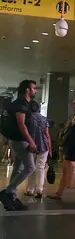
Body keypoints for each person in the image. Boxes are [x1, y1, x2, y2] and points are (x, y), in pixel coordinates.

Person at [0, 80, 39, 210]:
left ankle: (12, 197)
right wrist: (31, 141)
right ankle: (8, 192)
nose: (36, 90)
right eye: (34, 88)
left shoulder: (25, 104)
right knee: (30, 167)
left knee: (18, 168)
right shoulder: (21, 104)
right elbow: (21, 125)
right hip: (20, 141)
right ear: (27, 90)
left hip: (20, 140)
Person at [24, 100, 51, 199]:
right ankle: (39, 189)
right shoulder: (44, 119)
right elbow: (47, 135)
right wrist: (50, 148)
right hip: (44, 146)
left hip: (31, 145)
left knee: (31, 167)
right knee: (40, 167)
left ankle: (29, 189)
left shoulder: (27, 119)